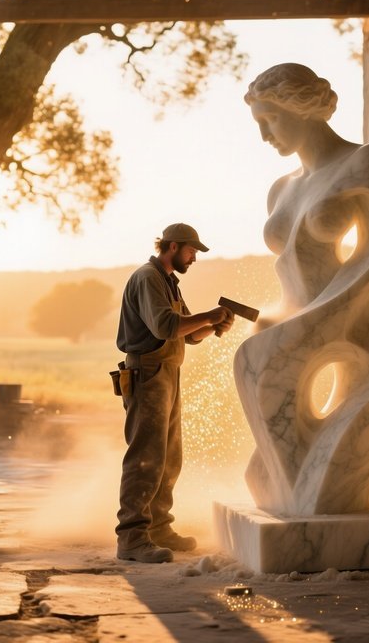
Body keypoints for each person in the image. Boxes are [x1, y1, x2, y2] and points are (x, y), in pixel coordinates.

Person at [234, 63, 369, 516]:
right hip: (295, 326)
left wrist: (312, 324)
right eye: (258, 125)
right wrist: (280, 324)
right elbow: (287, 267)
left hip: (357, 327)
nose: (264, 136)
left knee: (262, 365)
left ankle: (307, 512)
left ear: (303, 107)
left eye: (270, 120)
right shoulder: (282, 189)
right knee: (256, 370)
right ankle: (296, 508)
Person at [115, 222, 234, 563]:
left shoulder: (167, 281)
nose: (194, 258)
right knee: (145, 456)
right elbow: (166, 327)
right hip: (148, 373)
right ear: (172, 247)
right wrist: (209, 315)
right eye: (191, 251)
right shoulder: (148, 278)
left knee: (168, 456)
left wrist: (212, 326)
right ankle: (132, 537)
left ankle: (158, 528)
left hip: (167, 373)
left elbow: (187, 334)